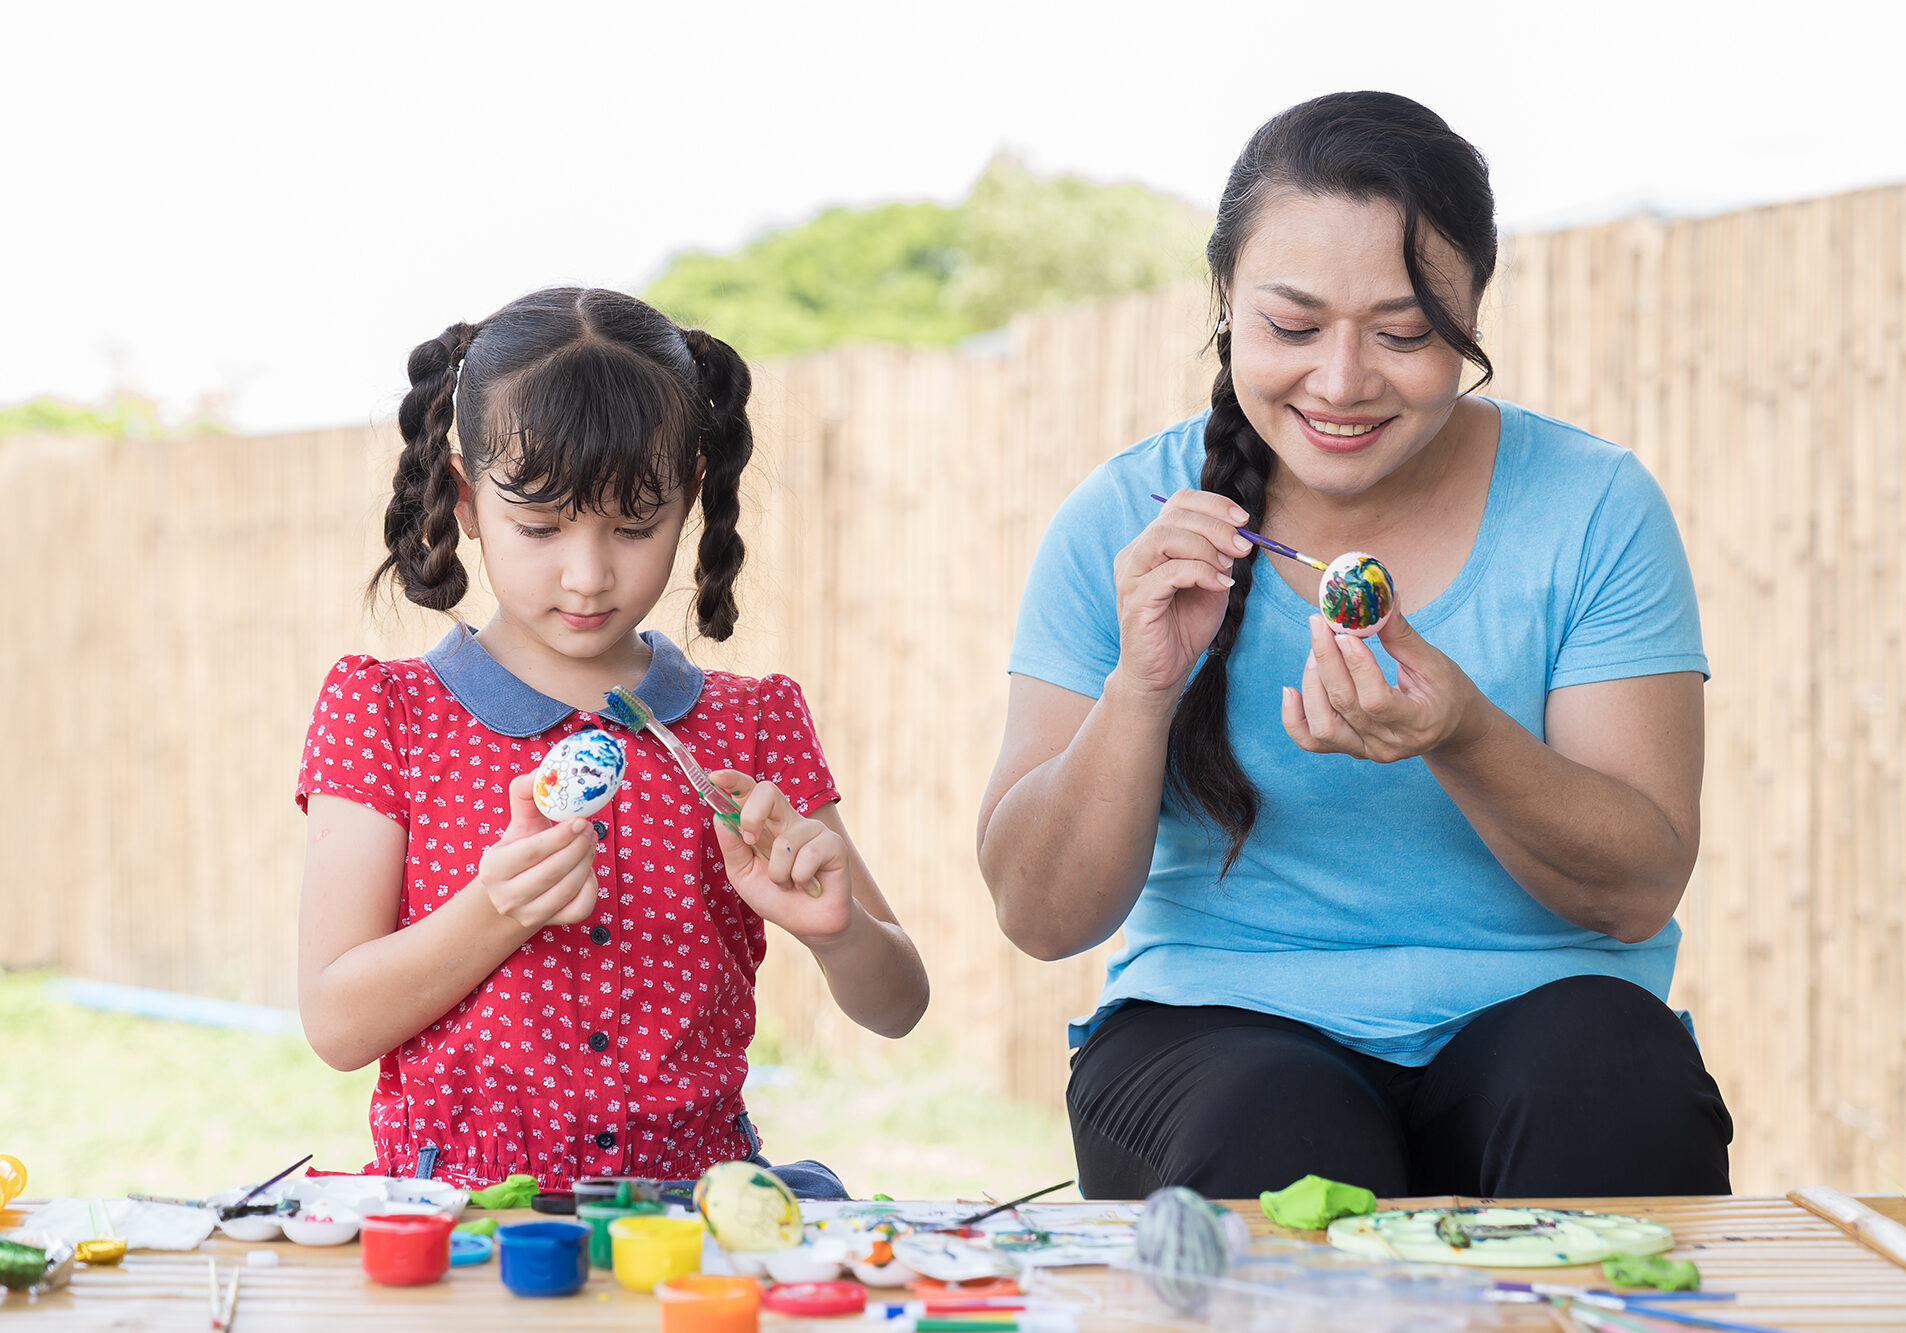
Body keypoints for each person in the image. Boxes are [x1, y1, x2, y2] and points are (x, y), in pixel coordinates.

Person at [977, 92, 1732, 1200]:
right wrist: (1140, 688)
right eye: (1291, 328)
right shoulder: (1125, 517)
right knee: (1278, 1129)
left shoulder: (1592, 505)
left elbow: (1634, 890)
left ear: (1472, 311)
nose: (1340, 382)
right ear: (1225, 303)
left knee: (1605, 1083)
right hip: (1210, 1029)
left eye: (1403, 333)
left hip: (1548, 1014)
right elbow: (1040, 917)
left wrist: (1463, 733)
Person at [297, 287, 928, 1194]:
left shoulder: (752, 724)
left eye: (636, 526)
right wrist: (496, 911)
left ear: (691, 497)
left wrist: (838, 932)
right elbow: (336, 1024)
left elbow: (899, 1002)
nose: (589, 576)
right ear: (469, 501)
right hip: (469, 1225)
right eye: (540, 527)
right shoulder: (388, 711)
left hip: (697, 1225)